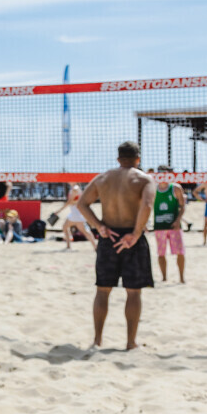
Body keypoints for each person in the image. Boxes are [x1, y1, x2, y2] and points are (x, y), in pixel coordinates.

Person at [77, 141, 155, 350]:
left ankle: (97, 340)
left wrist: (99, 226)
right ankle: (130, 342)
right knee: (134, 293)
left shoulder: (102, 178)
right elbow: (147, 205)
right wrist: (136, 233)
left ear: (118, 159)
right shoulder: (144, 179)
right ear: (138, 159)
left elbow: (82, 204)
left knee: (102, 291)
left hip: (108, 237)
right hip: (132, 238)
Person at [152, 166, 185, 283]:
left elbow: (182, 206)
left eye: (165, 174)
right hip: (159, 227)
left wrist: (178, 220)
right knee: (161, 253)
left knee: (180, 252)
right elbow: (146, 206)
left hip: (174, 226)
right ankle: (164, 277)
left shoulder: (175, 188)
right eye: (160, 174)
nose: (163, 177)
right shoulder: (152, 189)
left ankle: (181, 278)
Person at [51, 183, 97, 250]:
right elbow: (73, 201)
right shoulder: (75, 188)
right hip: (75, 213)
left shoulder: (75, 188)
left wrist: (59, 211)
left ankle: (95, 246)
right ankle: (69, 246)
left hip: (76, 213)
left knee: (85, 231)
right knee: (65, 227)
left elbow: (70, 201)